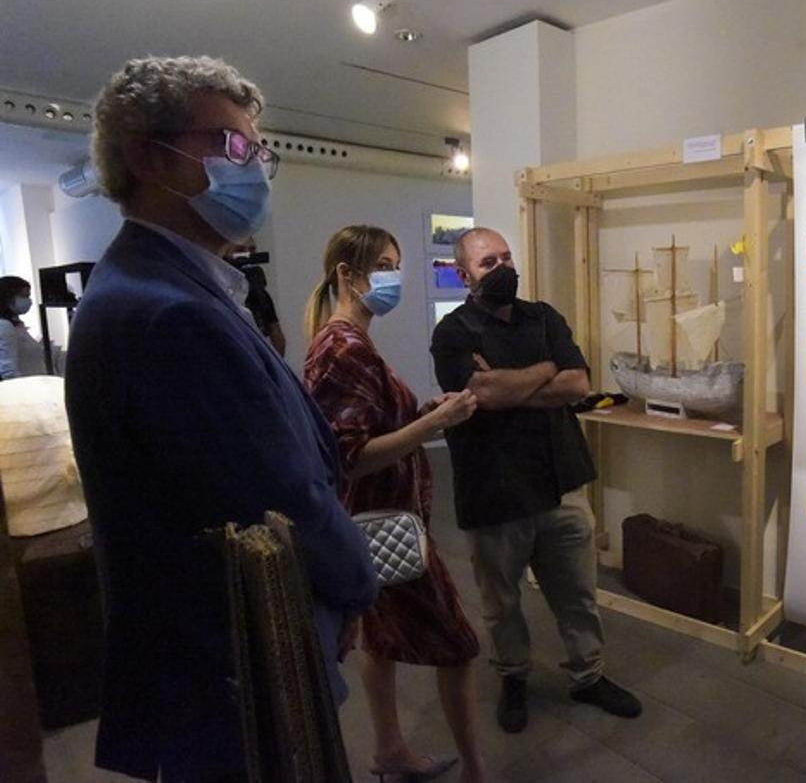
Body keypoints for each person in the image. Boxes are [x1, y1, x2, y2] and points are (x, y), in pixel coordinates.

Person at [63, 55, 377, 781]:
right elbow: (276, 496)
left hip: (218, 657)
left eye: (260, 152)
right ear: (148, 156)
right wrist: (358, 583)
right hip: (230, 662)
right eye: (233, 145)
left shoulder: (168, 286)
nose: (255, 168)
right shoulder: (165, 312)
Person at [430, 227, 642, 734]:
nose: (502, 268)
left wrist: (507, 384)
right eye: (488, 263)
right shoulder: (452, 333)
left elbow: (578, 383)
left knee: (577, 593)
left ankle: (589, 675)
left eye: (506, 258)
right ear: (463, 274)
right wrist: (547, 369)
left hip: (561, 481)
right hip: (493, 490)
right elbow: (482, 393)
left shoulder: (544, 316)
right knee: (501, 602)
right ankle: (514, 678)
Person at [303, 225, 486, 783]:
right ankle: (476, 772)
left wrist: (420, 413)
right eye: (383, 266)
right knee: (458, 645)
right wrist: (436, 422)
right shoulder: (344, 349)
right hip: (387, 525)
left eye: (395, 265)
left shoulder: (346, 342)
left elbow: (366, 426)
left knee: (379, 639)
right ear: (347, 274)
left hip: (376, 521)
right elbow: (349, 457)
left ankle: (389, 750)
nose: (394, 277)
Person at [0, 275, 63, 378]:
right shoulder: (5, 326)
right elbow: (9, 370)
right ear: (7, 298)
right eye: (23, 296)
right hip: (25, 385)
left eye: (28, 296)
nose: (28, 301)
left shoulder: (17, 325)